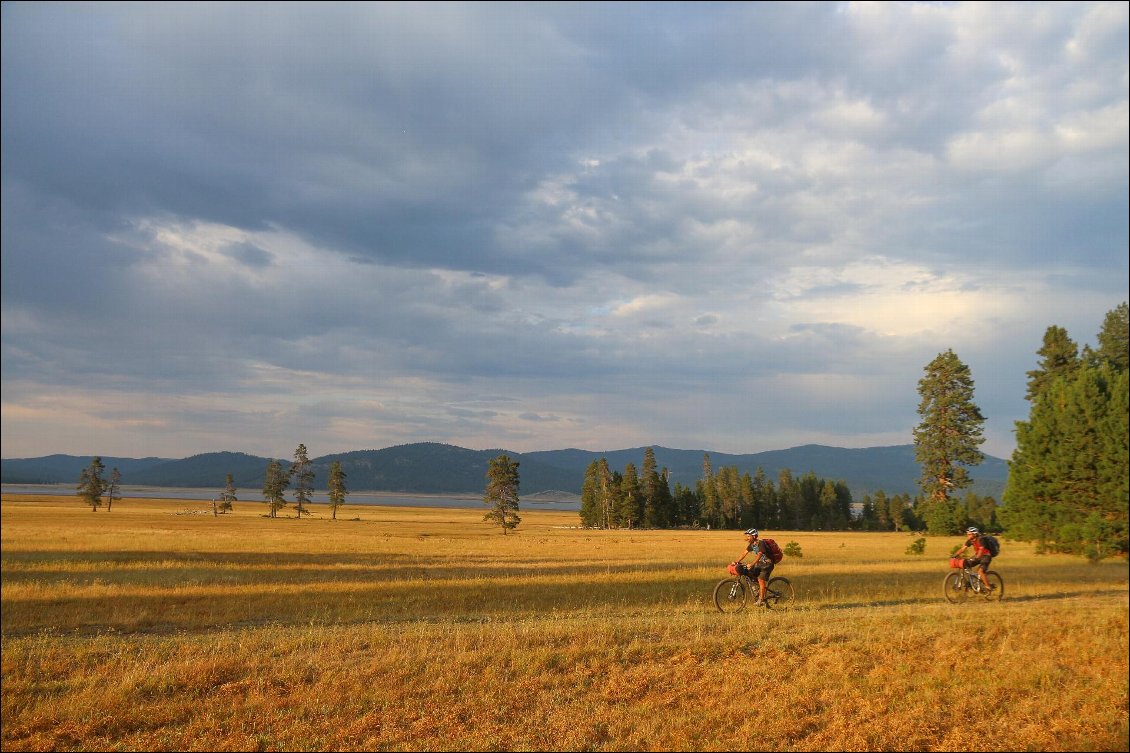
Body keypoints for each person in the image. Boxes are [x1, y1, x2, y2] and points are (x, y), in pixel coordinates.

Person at [732, 528, 774, 606]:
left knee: (760, 580)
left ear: (754, 536)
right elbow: (744, 553)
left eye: (749, 536)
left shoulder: (761, 543)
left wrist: (751, 564)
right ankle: (758, 591)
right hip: (760, 564)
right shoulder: (752, 545)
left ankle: (761, 600)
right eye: (747, 536)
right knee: (749, 574)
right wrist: (736, 562)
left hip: (768, 564)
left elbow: (759, 555)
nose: (747, 538)